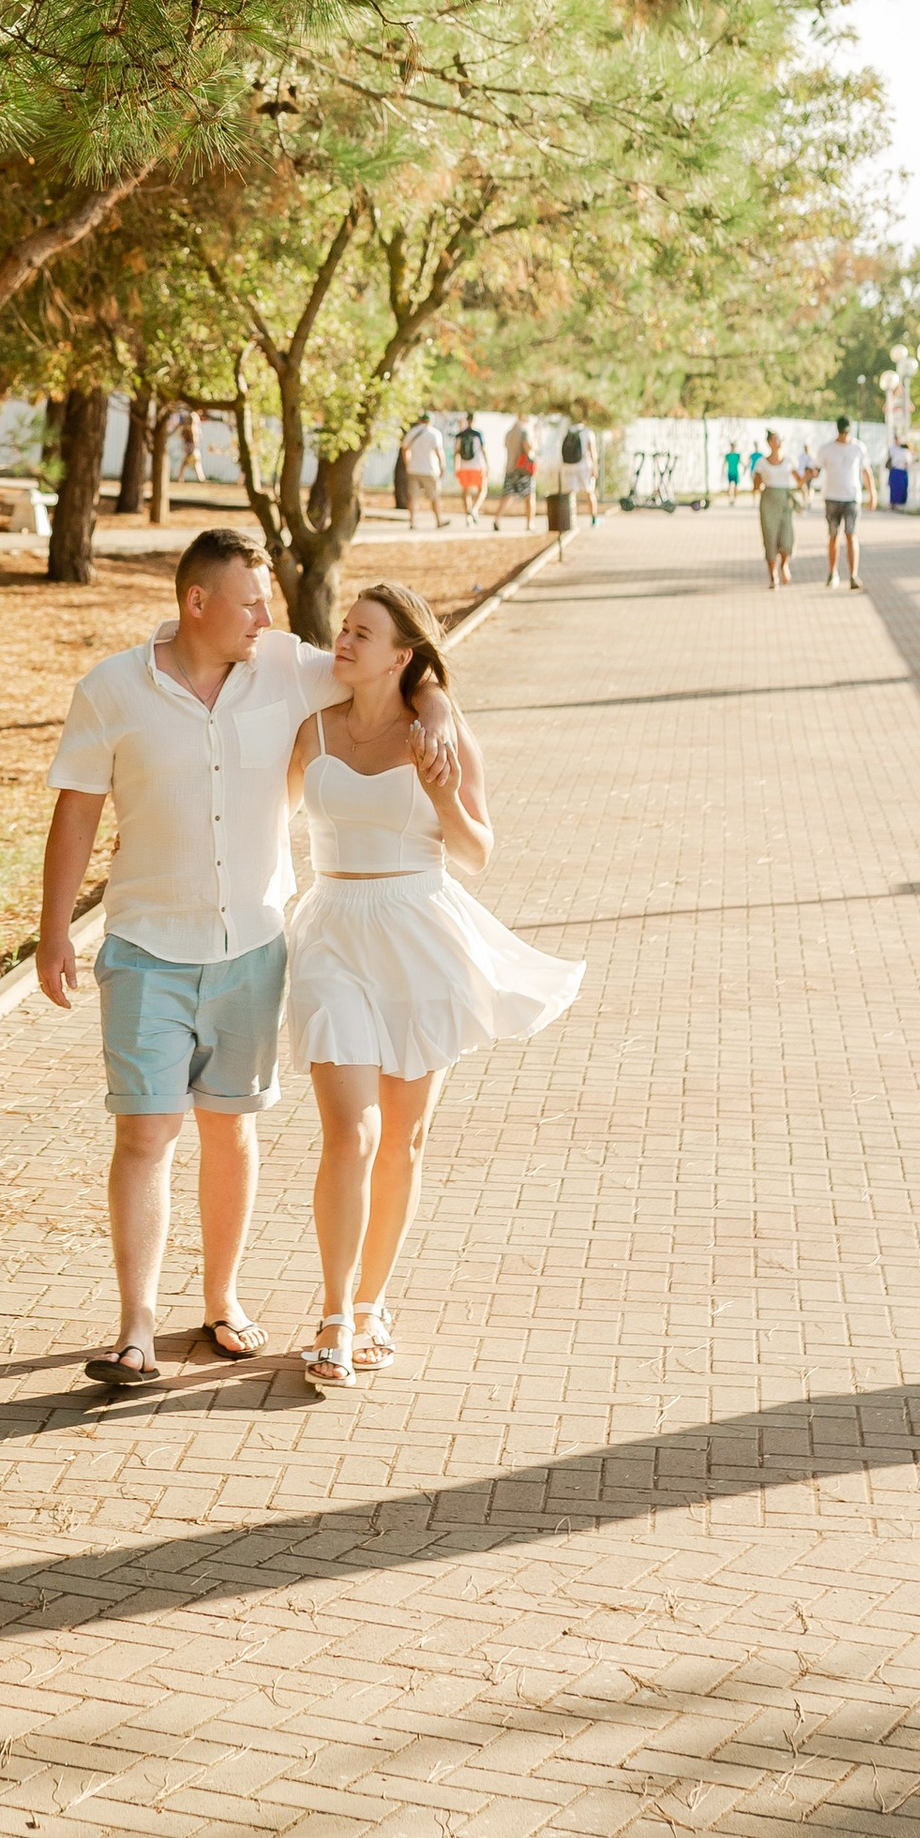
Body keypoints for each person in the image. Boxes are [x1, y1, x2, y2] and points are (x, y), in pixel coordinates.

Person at [39, 529, 458, 1388]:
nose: (269, 617)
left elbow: (391, 667)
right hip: (146, 945)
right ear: (198, 603)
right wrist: (53, 931)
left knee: (231, 1129)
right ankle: (135, 1331)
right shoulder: (112, 689)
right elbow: (76, 811)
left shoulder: (283, 666)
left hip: (253, 946)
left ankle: (222, 1303)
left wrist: (442, 708)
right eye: (251, 601)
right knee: (147, 1133)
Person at [283, 583, 583, 1389]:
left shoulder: (438, 732)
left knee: (404, 1140)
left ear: (403, 655)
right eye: (343, 627)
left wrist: (442, 782)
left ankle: (373, 1304)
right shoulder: (311, 725)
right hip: (331, 930)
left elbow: (477, 851)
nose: (343, 641)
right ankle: (334, 1315)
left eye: (363, 633)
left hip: (417, 928)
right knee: (352, 1133)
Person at [816, 414, 875, 589]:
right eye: (842, 433)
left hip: (852, 498)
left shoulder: (858, 448)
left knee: (851, 535)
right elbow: (816, 468)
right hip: (832, 497)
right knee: (833, 536)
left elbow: (866, 471)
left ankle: (853, 575)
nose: (844, 436)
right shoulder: (826, 449)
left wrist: (872, 494)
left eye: (846, 433)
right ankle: (832, 572)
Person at [752, 430, 799, 585]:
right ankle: (773, 574)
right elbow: (757, 485)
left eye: (780, 439)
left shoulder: (789, 461)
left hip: (785, 502)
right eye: (775, 439)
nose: (778, 442)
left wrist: (810, 475)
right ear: (769, 442)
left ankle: (784, 564)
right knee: (770, 537)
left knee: (787, 538)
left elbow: (799, 481)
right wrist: (757, 481)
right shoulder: (761, 463)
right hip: (768, 502)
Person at [399, 417, 446, 529]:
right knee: (434, 496)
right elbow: (439, 451)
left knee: (413, 496)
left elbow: (405, 449)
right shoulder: (434, 433)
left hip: (413, 469)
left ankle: (412, 522)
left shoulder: (412, 432)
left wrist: (407, 463)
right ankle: (439, 521)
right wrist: (442, 466)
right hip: (430, 469)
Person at [499, 417, 538, 527]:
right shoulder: (525, 432)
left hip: (510, 467)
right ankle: (530, 523)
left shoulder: (509, 432)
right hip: (523, 469)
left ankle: (497, 519)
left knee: (507, 495)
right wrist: (535, 443)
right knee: (529, 496)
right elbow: (528, 448)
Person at [454, 417, 489, 525]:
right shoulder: (478, 434)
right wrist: (487, 465)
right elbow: (484, 451)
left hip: (464, 467)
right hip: (478, 466)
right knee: (482, 489)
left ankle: (468, 517)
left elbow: (456, 452)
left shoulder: (460, 435)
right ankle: (474, 509)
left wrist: (456, 467)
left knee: (466, 492)